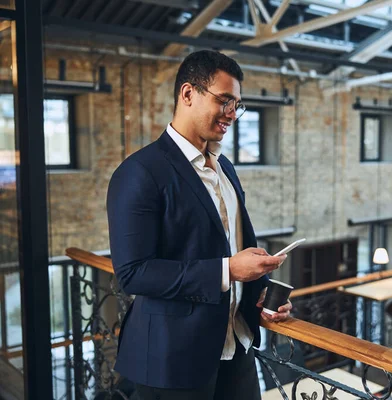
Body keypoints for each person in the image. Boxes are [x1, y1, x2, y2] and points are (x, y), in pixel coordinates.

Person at [106, 50, 291, 400]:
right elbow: (133, 273)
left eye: (237, 105)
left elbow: (226, 247)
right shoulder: (138, 173)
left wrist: (260, 291)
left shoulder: (227, 170)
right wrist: (229, 271)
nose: (232, 114)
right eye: (224, 101)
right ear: (188, 94)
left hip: (237, 347)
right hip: (172, 360)